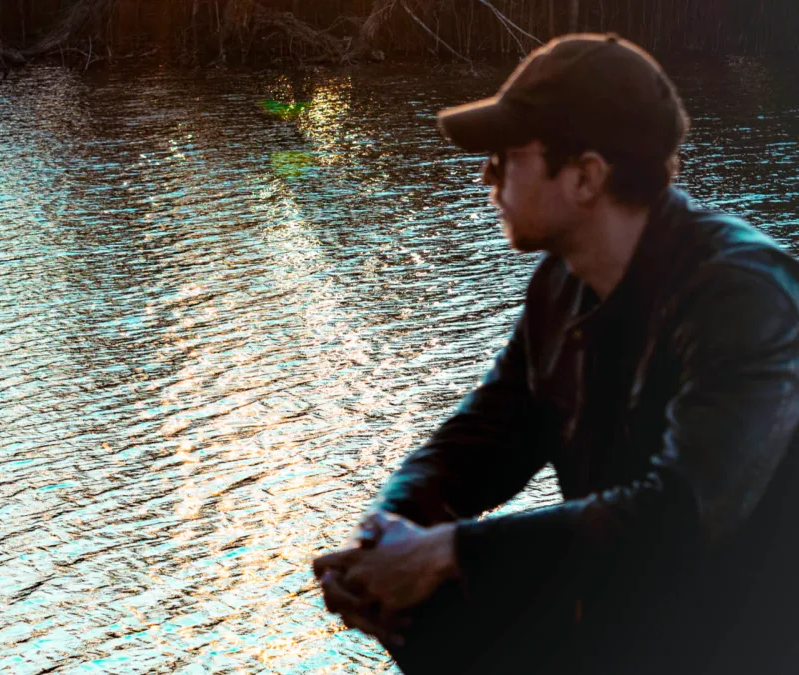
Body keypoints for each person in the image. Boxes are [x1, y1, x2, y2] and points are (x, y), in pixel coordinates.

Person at [312, 33, 799, 675]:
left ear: (585, 176)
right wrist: (389, 529)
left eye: (506, 155)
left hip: (745, 634)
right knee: (408, 602)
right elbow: (485, 434)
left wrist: (451, 552)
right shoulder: (563, 282)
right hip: (639, 610)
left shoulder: (741, 294)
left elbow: (683, 512)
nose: (486, 174)